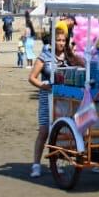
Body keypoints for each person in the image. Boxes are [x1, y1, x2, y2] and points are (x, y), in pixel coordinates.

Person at [29, 29, 62, 178]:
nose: (61, 43)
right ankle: (36, 164)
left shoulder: (68, 56)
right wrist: (44, 86)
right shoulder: (45, 56)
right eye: (58, 40)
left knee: (60, 132)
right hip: (46, 98)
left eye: (63, 40)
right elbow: (32, 78)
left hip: (62, 99)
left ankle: (54, 163)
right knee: (44, 131)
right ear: (53, 42)